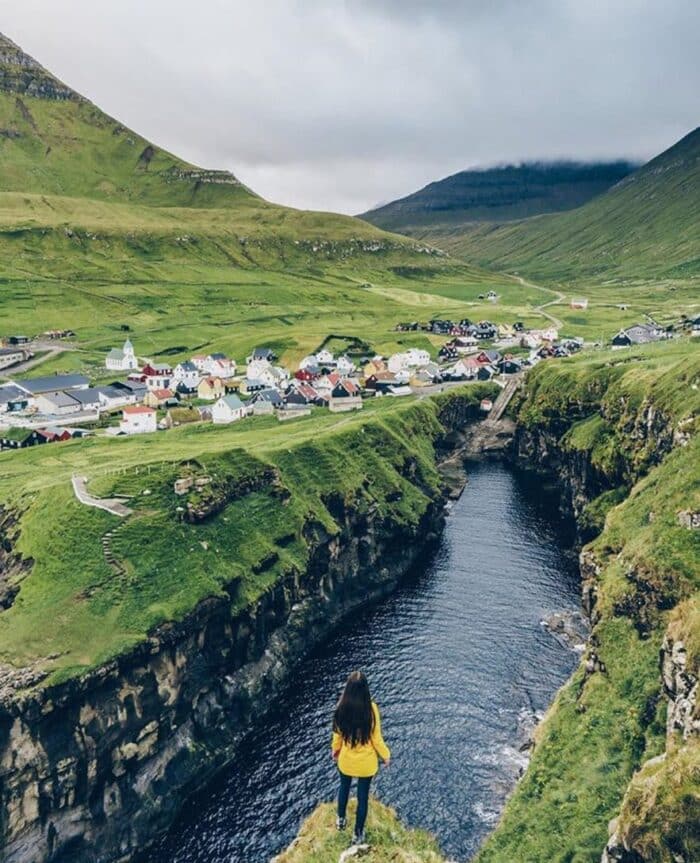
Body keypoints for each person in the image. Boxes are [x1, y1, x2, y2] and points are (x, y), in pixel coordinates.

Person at [331, 671, 390, 845]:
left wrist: (335, 751)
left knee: (344, 788)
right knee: (362, 797)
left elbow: (337, 736)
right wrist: (386, 756)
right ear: (366, 690)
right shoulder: (371, 710)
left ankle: (340, 820)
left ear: (347, 689)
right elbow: (376, 739)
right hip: (366, 764)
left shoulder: (340, 709)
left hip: (347, 761)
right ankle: (357, 834)